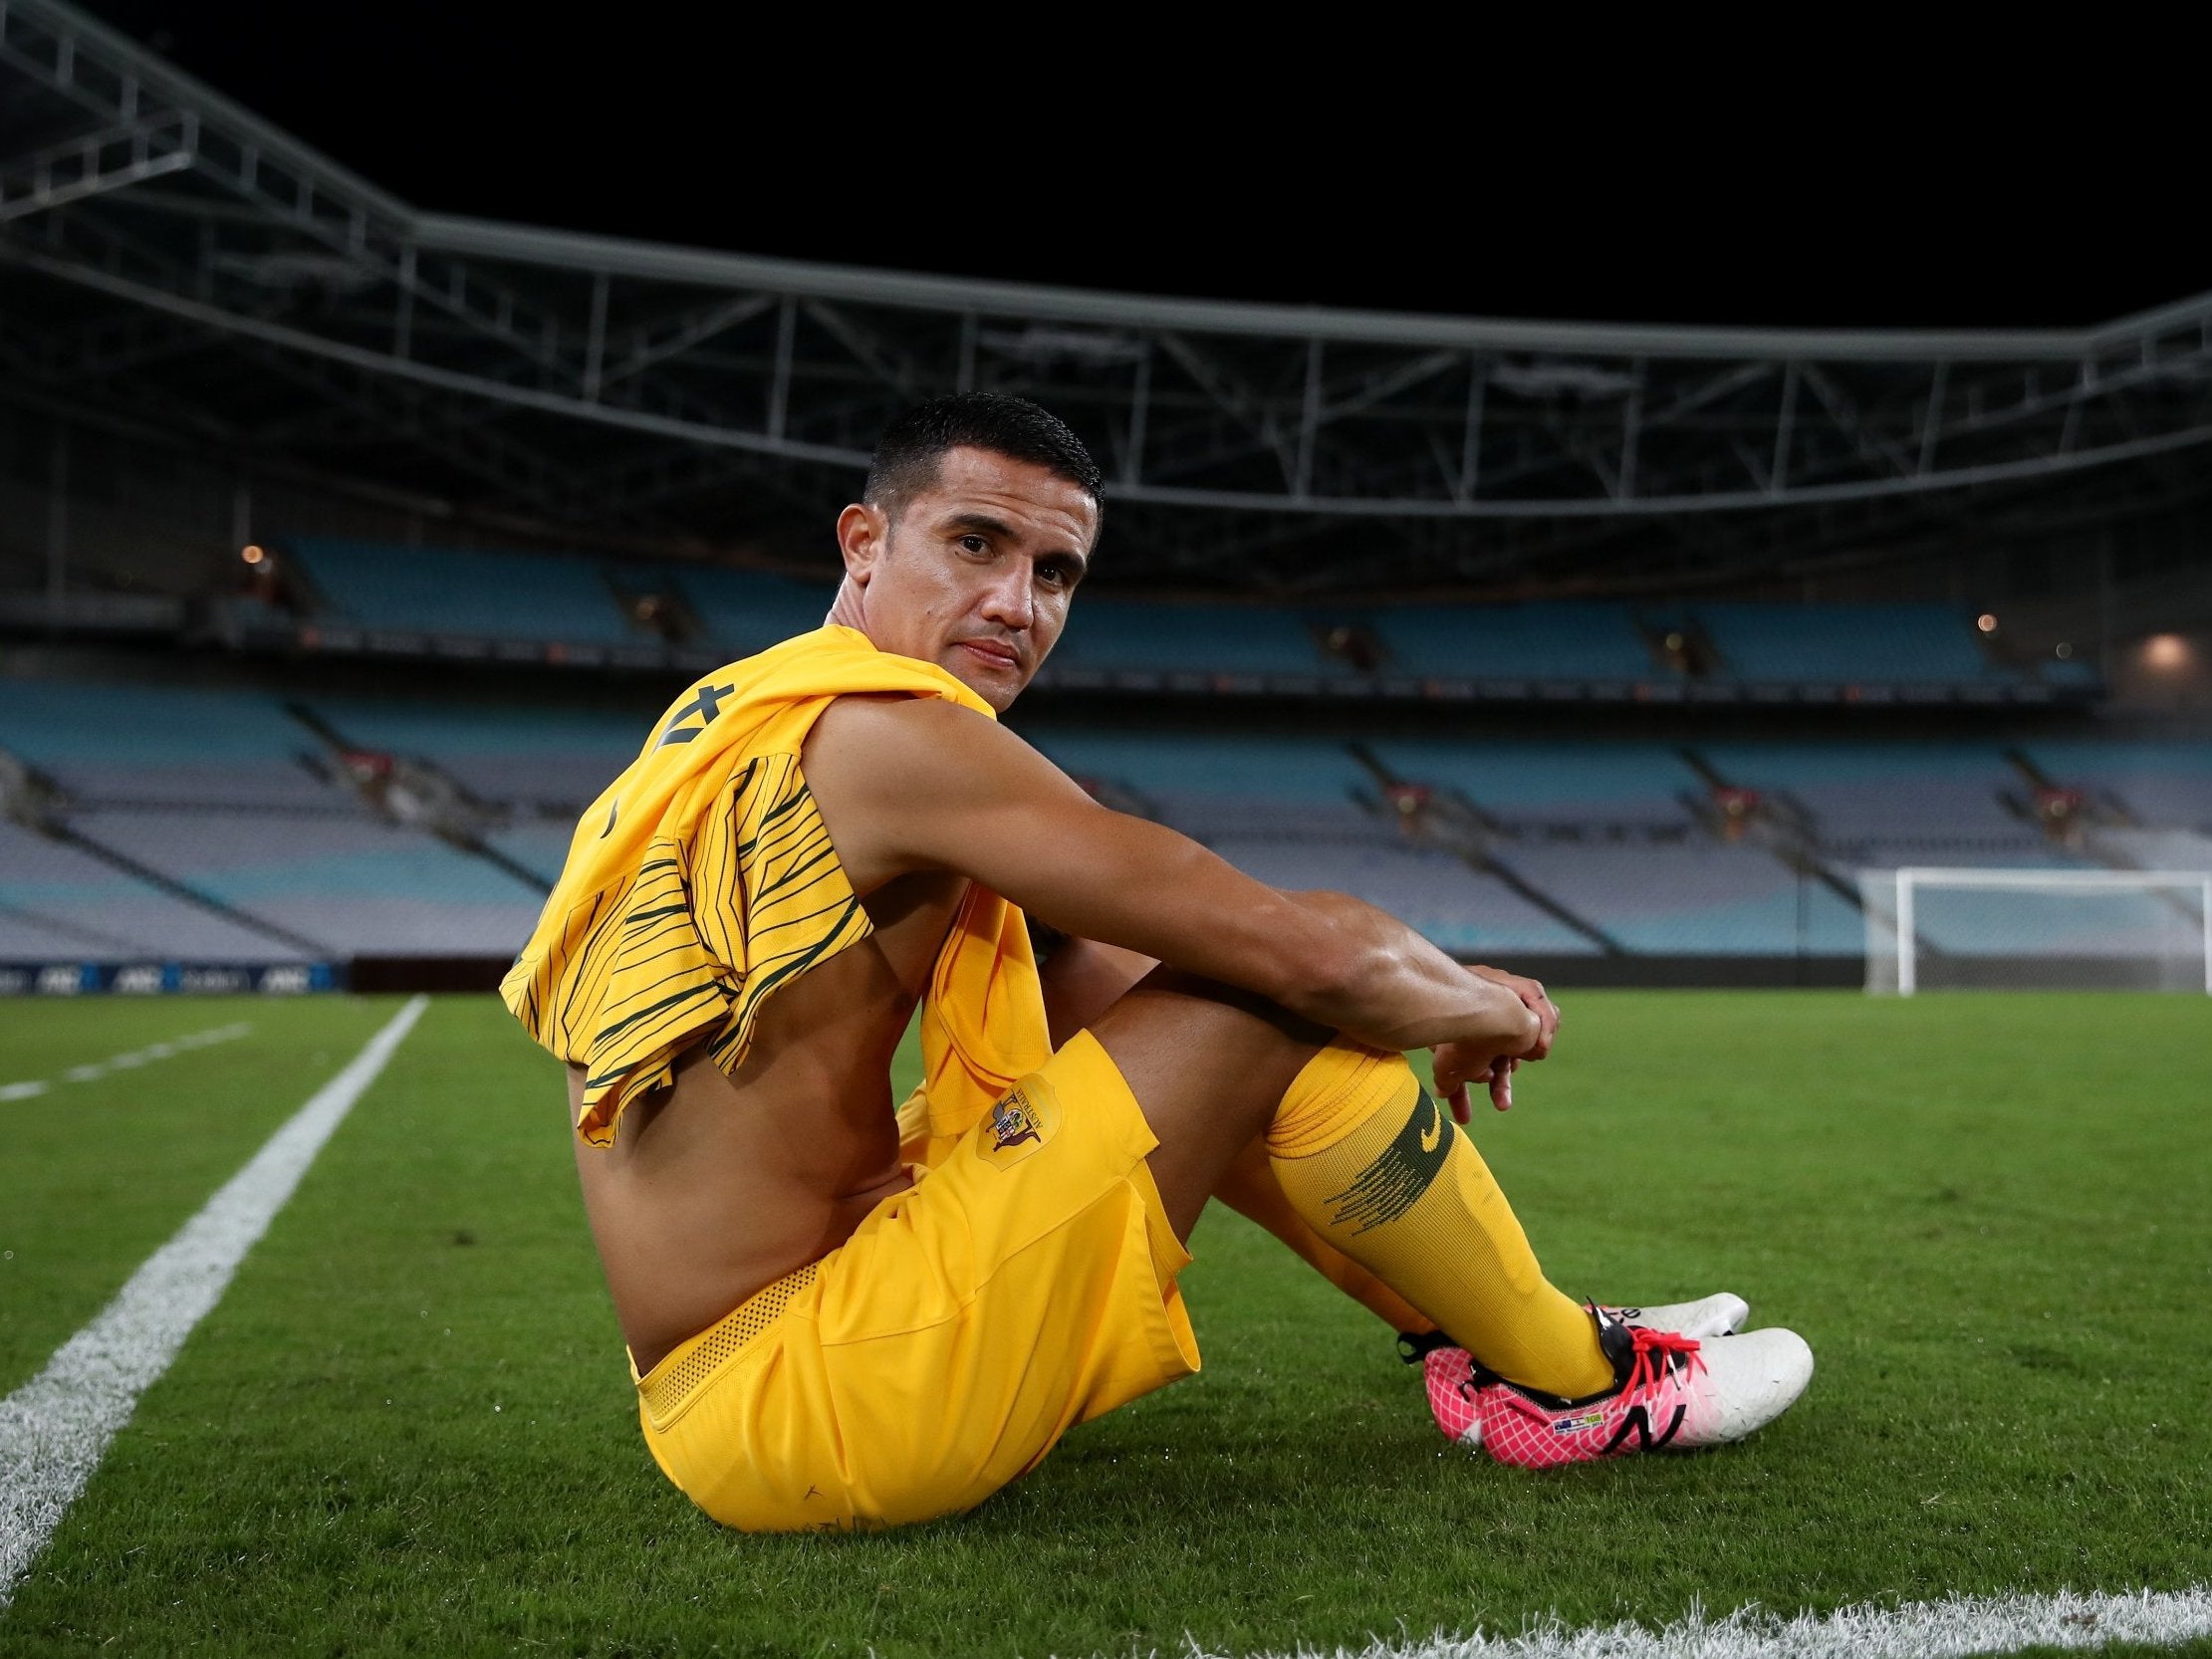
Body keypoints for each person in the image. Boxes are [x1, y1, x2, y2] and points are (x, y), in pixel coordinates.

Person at [502, 393, 1812, 1532]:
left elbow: (1131, 972)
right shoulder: (890, 739)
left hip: (743, 1368)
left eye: (1055, 571)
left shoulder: (748, 704)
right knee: (1258, 999)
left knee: (1133, 997)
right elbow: (1298, 952)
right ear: (864, 539)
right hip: (802, 1398)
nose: (1015, 602)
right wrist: (1494, 1008)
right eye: (974, 543)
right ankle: (1578, 1386)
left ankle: (1492, 1326)